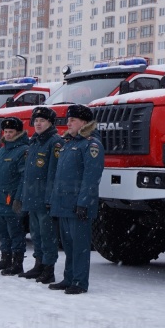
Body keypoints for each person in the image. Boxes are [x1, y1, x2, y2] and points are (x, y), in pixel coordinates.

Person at [48, 104, 104, 295]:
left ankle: (79, 282)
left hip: (78, 205)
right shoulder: (69, 143)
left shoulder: (91, 144)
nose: (68, 123)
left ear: (84, 122)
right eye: (68, 119)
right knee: (69, 245)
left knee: (79, 246)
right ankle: (69, 278)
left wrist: (84, 203)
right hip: (63, 203)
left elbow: (91, 177)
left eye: (73, 120)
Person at [19, 107, 63, 283]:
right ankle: (38, 264)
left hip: (45, 198)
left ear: (50, 123)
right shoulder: (34, 142)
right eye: (36, 121)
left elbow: (54, 173)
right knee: (36, 234)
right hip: (32, 197)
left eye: (42, 121)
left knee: (47, 235)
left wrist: (50, 198)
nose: (38, 123)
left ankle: (48, 268)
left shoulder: (55, 143)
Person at [0, 117, 30, 274]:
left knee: (15, 232)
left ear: (18, 132)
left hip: (11, 199)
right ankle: (5, 259)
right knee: (2, 231)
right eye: (6, 131)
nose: (8, 134)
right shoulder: (3, 150)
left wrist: (18, 198)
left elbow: (24, 178)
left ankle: (17, 262)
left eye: (11, 132)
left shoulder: (23, 150)